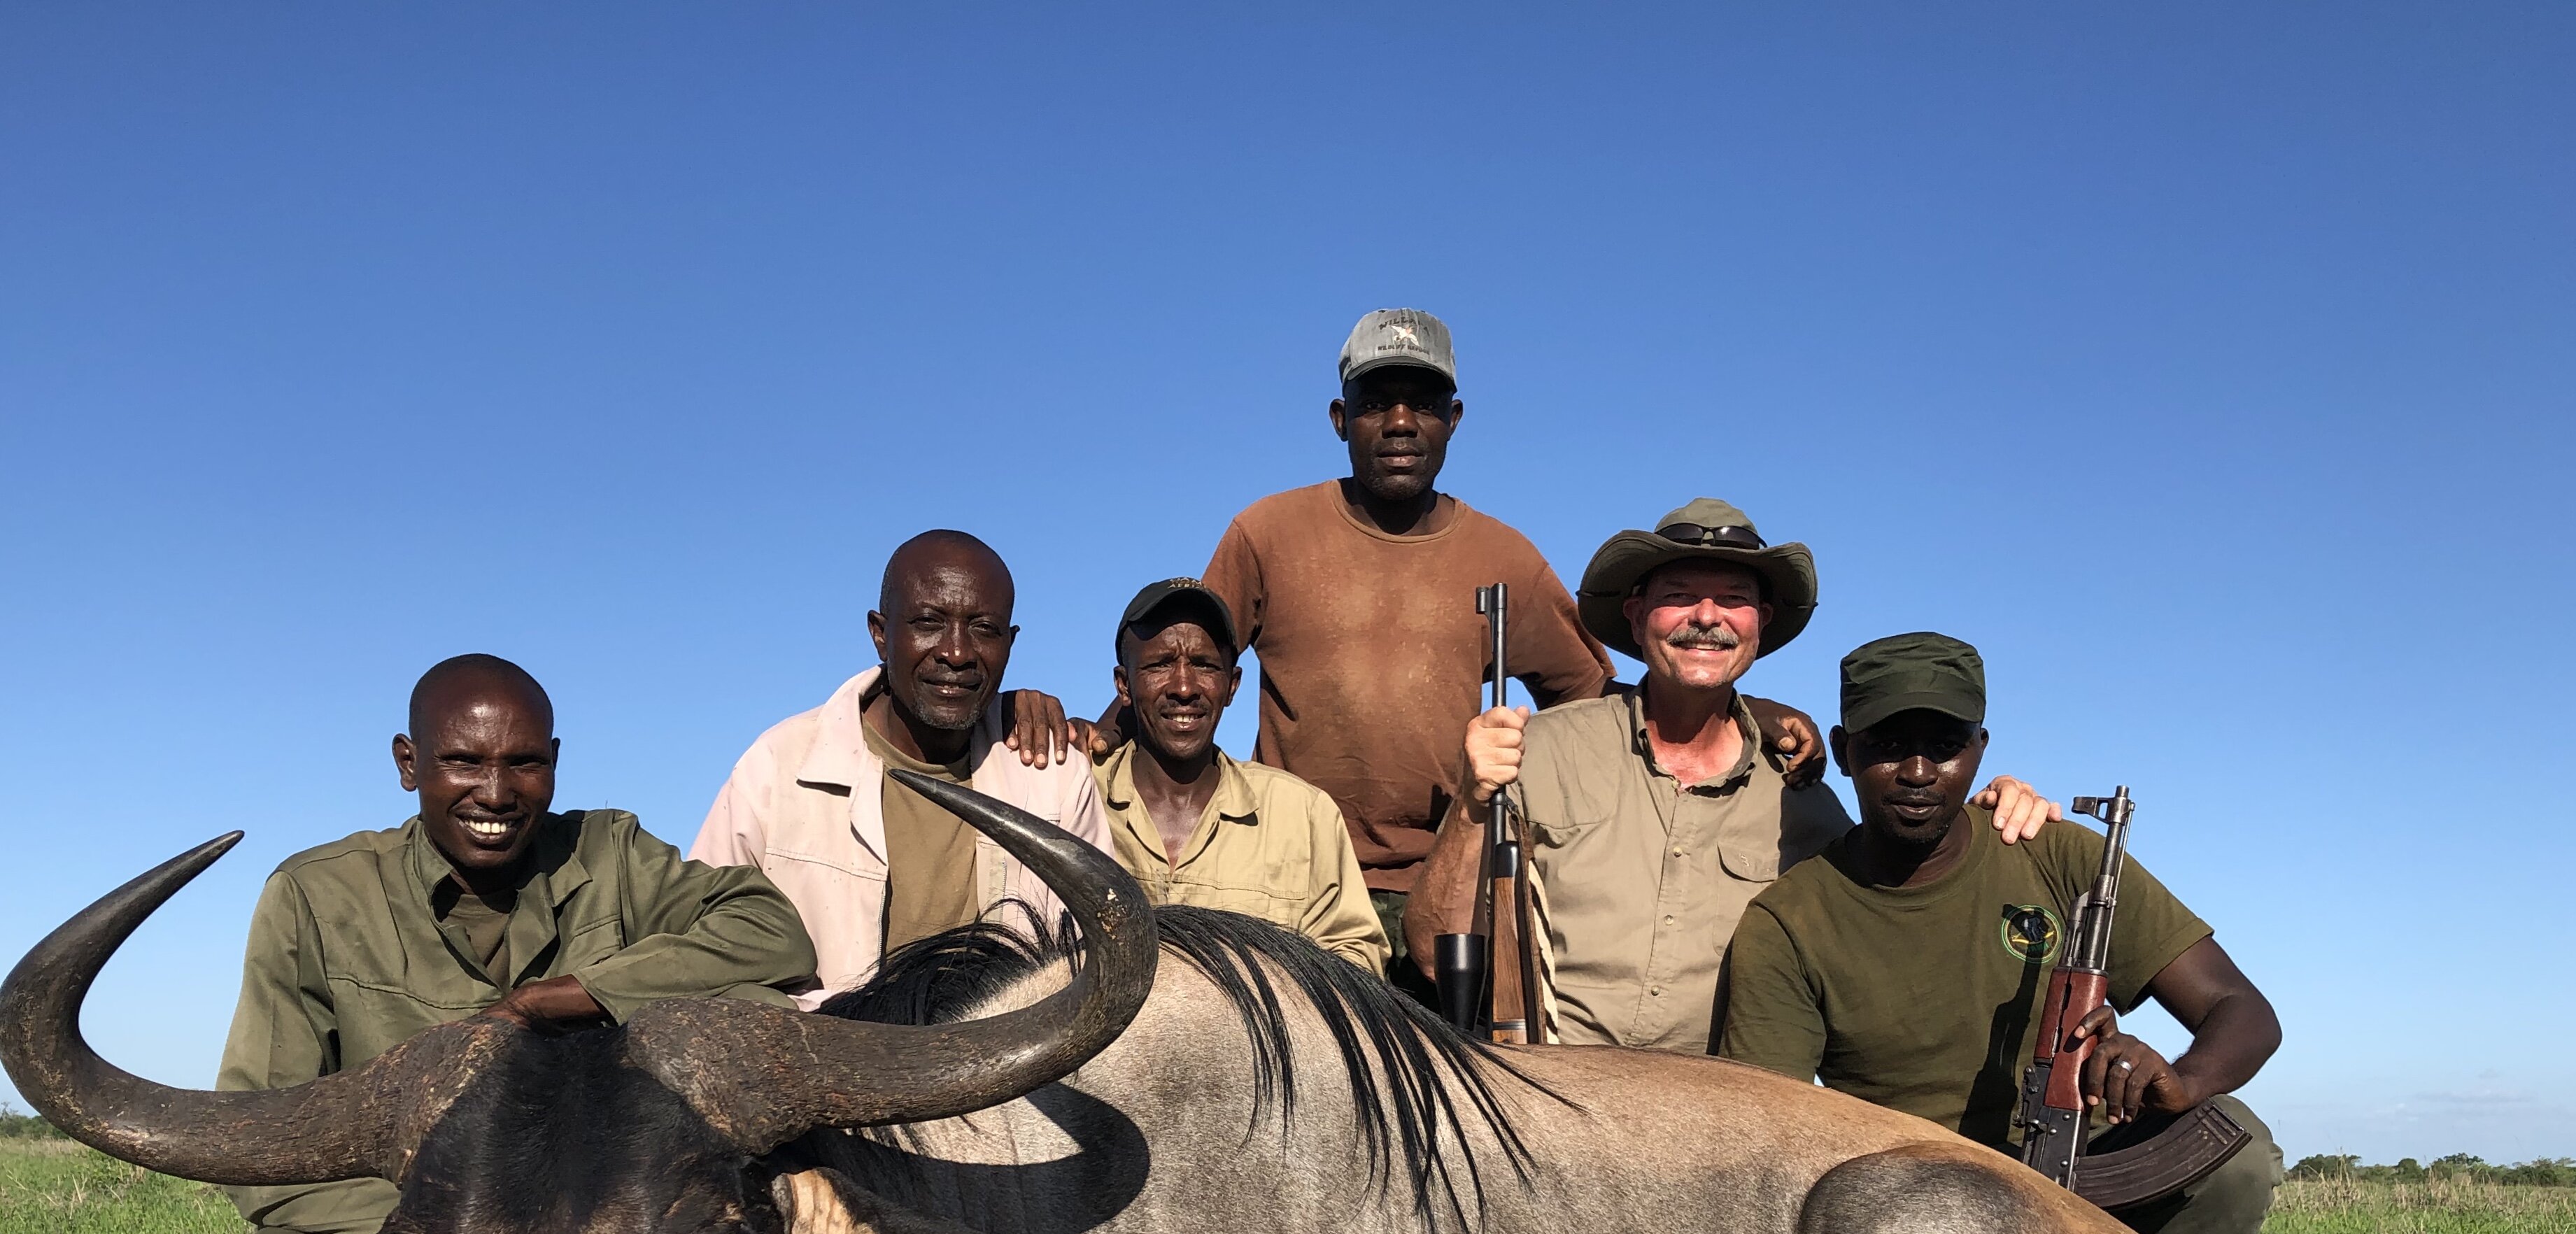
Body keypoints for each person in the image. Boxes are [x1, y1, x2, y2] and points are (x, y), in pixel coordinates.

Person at [155, 653, 816, 1234]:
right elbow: (259, 1141)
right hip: (404, 1219)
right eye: (464, 761)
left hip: (605, 1222)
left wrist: (570, 995)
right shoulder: (314, 896)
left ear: (554, 761)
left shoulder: (612, 853)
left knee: (757, 1005)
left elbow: (773, 935)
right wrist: (457, 1226)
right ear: (408, 764)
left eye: (525, 762)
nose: (497, 794)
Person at [1168, 311, 1820, 984]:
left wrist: (1740, 710)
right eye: (1375, 404)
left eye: (1422, 405)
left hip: (1444, 885)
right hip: (1293, 881)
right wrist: (1094, 732)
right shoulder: (1266, 532)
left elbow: (1591, 696)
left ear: (1453, 419)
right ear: (1340, 418)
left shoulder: (1504, 555)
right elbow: (1186, 666)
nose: (1399, 423)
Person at [1718, 632, 2284, 1234]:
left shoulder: (2062, 858)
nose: (1920, 772)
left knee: (2236, 1147)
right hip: (1912, 1200)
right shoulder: (1788, 921)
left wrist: (2173, 1079)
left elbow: (2241, 1009)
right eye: (1888, 746)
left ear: (1982, 747)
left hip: (2085, 1161)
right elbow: (1765, 1144)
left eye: (1946, 745)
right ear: (1842, 752)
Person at [1405, 502, 2057, 1052]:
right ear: (1636, 617)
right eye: (1680, 596)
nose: (1708, 616)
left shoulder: (1803, 802)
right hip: (1534, 1102)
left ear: (1760, 626)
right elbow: (1435, 954)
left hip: (1714, 1132)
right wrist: (1470, 804)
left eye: (1735, 600)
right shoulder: (1534, 751)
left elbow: (1904, 905)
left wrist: (1986, 814)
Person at [692, 530, 1117, 1004]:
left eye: (984, 629)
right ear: (880, 634)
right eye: (929, 622)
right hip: (813, 1064)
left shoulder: (1053, 776)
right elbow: (702, 950)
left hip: (1011, 1070)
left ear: (1010, 642)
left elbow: (1099, 962)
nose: (956, 653)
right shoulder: (778, 768)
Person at [1089, 578, 1385, 972]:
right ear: (1124, 686)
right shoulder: (1074, 795)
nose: (1183, 687)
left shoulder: (1302, 814)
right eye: (1160, 664)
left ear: (1232, 687)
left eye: (1205, 665)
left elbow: (1356, 957)